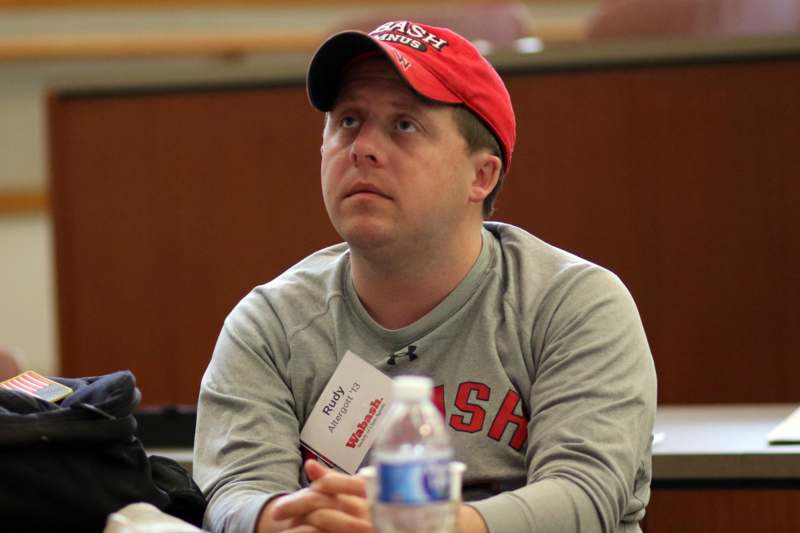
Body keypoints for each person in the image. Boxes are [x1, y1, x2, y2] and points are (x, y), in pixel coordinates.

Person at [194, 19, 656, 533]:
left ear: (481, 176)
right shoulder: (269, 325)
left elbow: (585, 496)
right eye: (347, 121)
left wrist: (419, 525)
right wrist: (283, 520)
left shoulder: (575, 303)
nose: (362, 148)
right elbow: (234, 491)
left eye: (404, 126)